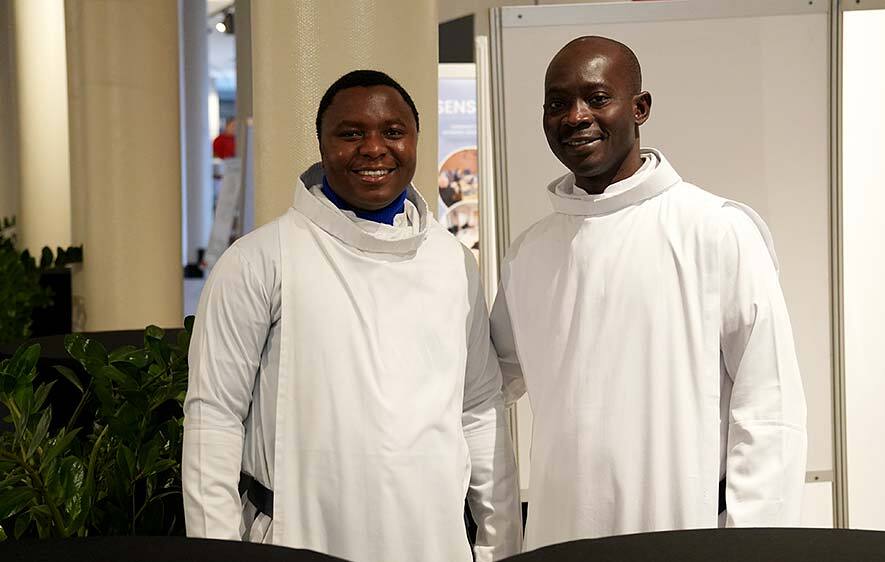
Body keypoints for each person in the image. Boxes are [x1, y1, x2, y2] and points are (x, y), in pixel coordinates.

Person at [183, 70, 522, 562]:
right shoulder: (261, 259)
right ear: (323, 146)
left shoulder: (452, 262)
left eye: (393, 132)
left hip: (432, 543)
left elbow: (479, 408)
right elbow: (214, 415)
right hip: (300, 540)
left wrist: (500, 544)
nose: (374, 148)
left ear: (415, 140)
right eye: (351, 133)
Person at [490, 36, 807, 551]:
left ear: (639, 108)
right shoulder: (529, 253)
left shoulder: (716, 230)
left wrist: (753, 545)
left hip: (682, 531)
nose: (575, 117)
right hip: (560, 534)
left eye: (597, 98)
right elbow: (490, 383)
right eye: (557, 103)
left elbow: (770, 409)